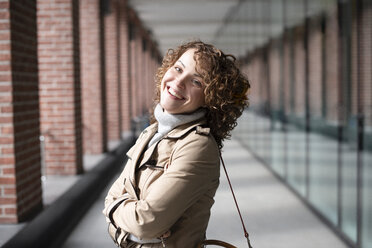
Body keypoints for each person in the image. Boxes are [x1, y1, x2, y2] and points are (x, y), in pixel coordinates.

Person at [103, 40, 250, 248]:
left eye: (196, 82)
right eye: (178, 68)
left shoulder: (198, 146)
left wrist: (115, 210)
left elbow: (145, 223)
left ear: (211, 98)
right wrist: (123, 211)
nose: (179, 82)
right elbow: (112, 196)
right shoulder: (152, 131)